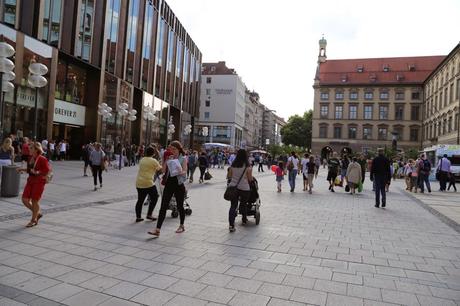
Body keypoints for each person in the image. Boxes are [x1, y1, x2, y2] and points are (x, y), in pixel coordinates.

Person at [148, 140, 187, 237]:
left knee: (180, 206)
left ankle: (181, 225)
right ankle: (157, 230)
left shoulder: (183, 158)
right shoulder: (170, 158)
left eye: (174, 149)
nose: (172, 151)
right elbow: (163, 170)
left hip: (178, 185)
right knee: (163, 207)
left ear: (179, 149)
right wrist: (166, 161)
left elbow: (185, 172)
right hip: (169, 184)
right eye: (171, 149)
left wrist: (180, 171)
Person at [17, 142, 50, 227]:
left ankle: (33, 220)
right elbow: (29, 169)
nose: (29, 149)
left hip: (39, 182)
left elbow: (47, 170)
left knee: (35, 201)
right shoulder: (30, 158)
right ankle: (37, 213)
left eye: (31, 148)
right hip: (30, 180)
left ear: (36, 149)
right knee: (24, 199)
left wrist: (37, 172)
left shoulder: (42, 159)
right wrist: (22, 169)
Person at [226, 149, 253, 232]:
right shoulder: (248, 167)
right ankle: (244, 219)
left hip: (233, 187)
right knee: (243, 204)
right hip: (244, 188)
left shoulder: (232, 166)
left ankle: (231, 225)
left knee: (233, 205)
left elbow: (229, 177)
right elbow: (250, 179)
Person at [135, 146, 161, 222]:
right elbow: (160, 169)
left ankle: (138, 217)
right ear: (153, 153)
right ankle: (149, 214)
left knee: (140, 200)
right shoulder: (153, 161)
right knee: (155, 197)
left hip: (139, 182)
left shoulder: (142, 160)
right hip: (148, 183)